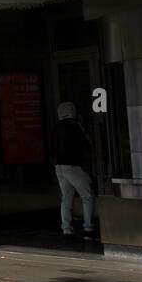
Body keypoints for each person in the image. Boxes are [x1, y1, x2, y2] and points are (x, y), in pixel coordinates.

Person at [52, 102, 97, 241]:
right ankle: (88, 228)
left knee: (66, 198)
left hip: (59, 166)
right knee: (87, 196)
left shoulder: (56, 127)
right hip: (73, 166)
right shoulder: (76, 126)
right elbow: (86, 145)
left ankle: (67, 229)